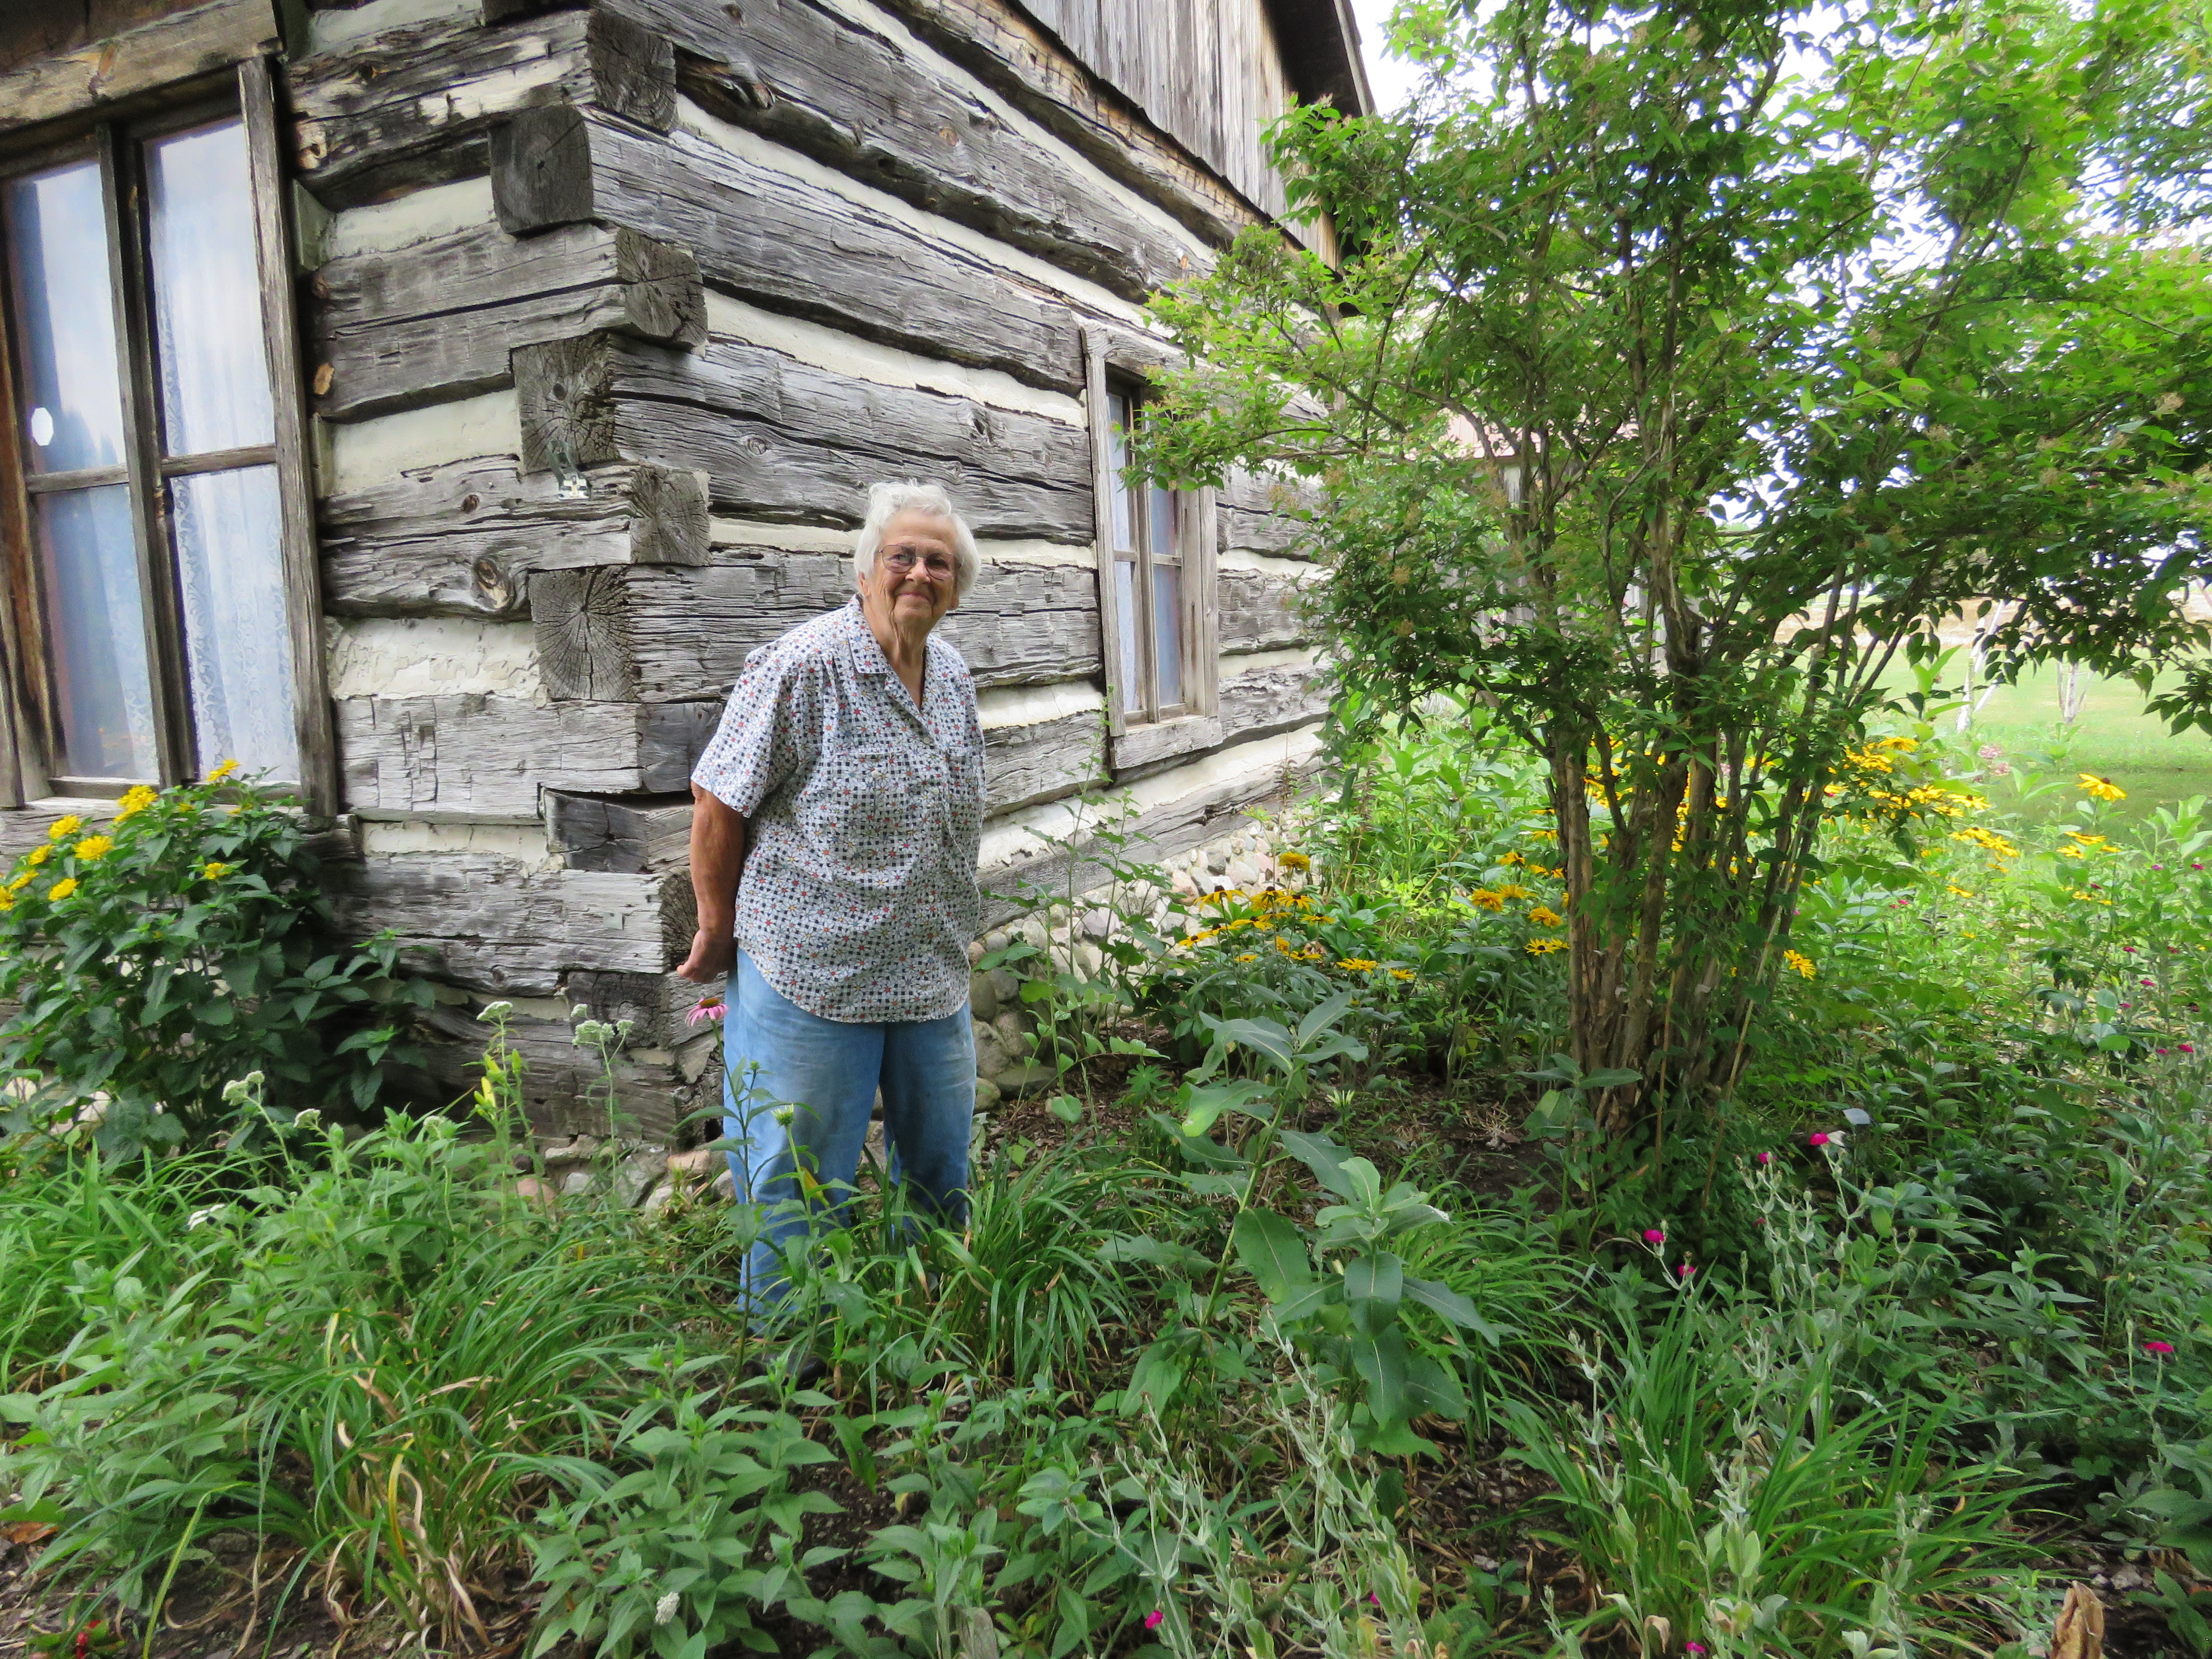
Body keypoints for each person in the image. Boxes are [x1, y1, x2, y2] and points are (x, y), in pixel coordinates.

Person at [677, 480, 985, 1314]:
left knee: (939, 1163)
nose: (920, 572)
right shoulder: (805, 666)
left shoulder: (951, 675)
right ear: (864, 572)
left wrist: (961, 920)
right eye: (902, 557)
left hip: (927, 968)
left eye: (939, 562)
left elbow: (952, 815)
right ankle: (792, 1359)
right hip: (814, 969)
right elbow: (719, 800)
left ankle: (924, 1321)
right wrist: (716, 926)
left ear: (957, 585)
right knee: (798, 1179)